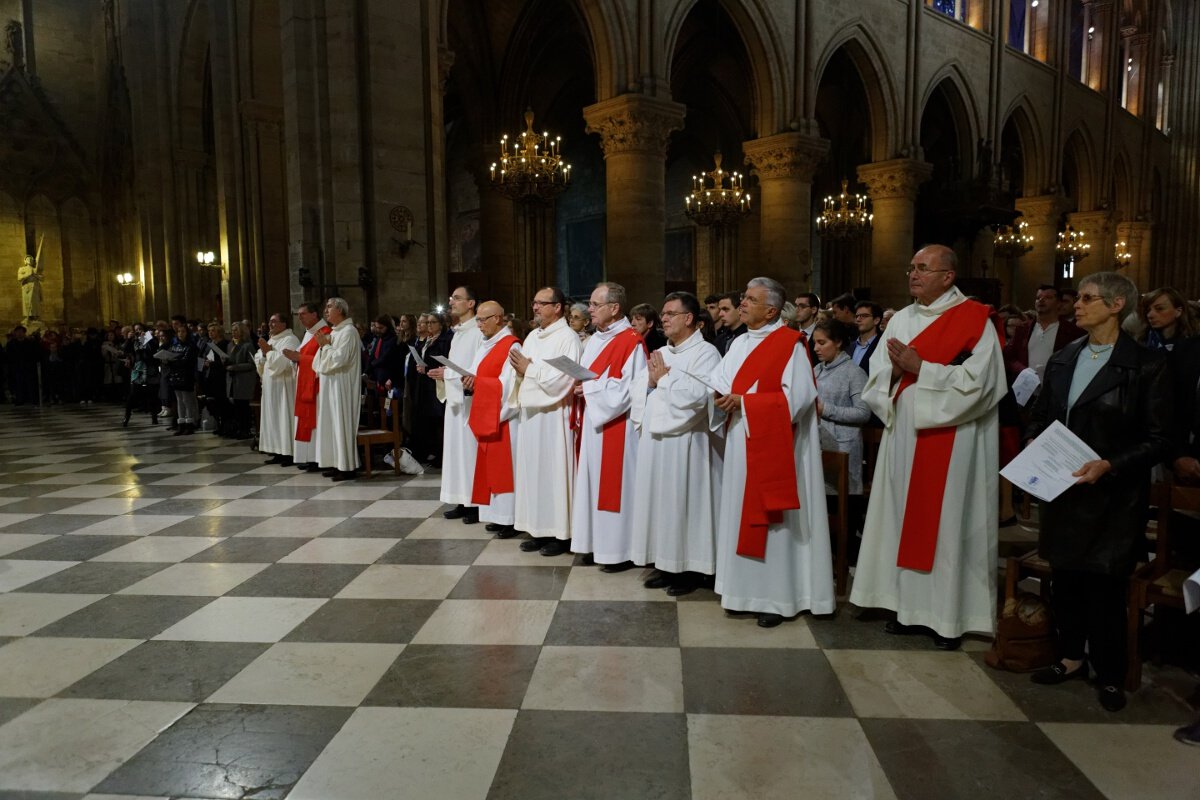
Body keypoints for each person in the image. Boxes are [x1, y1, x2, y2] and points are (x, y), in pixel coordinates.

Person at [1025, 272, 1172, 712]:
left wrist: (1110, 465)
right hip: (1065, 487)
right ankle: (1070, 658)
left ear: (1116, 305)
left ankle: (1109, 673)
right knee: (1066, 580)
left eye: (1089, 299)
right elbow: (1041, 412)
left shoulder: (1146, 365)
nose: (1078, 305)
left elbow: (1161, 438)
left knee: (1105, 589)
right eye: (1080, 298)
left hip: (1113, 496)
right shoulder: (1065, 357)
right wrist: (1035, 439)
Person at [850, 245, 1007, 650]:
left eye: (923, 268)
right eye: (911, 267)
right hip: (905, 435)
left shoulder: (975, 319)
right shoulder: (901, 318)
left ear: (948, 276)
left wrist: (925, 370)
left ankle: (947, 618)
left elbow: (985, 382)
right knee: (905, 518)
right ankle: (907, 608)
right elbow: (878, 378)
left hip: (955, 439)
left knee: (950, 521)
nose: (913, 274)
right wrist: (896, 372)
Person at [711, 277, 834, 627]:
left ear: (772, 310)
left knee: (774, 525)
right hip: (740, 442)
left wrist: (745, 403)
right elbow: (721, 380)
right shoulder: (737, 343)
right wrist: (718, 399)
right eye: (743, 297)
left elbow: (796, 400)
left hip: (777, 447)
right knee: (740, 513)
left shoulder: (790, 345)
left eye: (750, 299)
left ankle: (777, 598)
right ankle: (742, 591)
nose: (742, 303)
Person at [630, 291, 723, 596]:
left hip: (688, 445)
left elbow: (696, 398)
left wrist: (662, 382)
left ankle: (692, 568)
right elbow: (641, 388)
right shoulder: (663, 353)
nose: (664, 318)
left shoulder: (706, 353)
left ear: (689, 319)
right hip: (657, 442)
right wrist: (652, 383)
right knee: (661, 502)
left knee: (686, 504)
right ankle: (666, 562)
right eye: (663, 313)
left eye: (671, 313)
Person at [570, 282, 648, 570]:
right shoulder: (595, 339)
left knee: (615, 488)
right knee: (590, 483)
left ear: (614, 308)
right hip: (593, 424)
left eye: (594, 304)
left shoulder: (631, 342)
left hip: (617, 426)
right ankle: (592, 543)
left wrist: (589, 390)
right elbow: (591, 378)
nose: (589, 309)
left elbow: (631, 390)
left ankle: (618, 550)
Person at [512, 287, 584, 556]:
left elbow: (562, 381)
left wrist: (528, 369)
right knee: (534, 474)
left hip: (555, 415)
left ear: (558, 307)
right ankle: (538, 528)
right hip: (531, 415)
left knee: (554, 474)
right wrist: (520, 372)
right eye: (534, 303)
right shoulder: (532, 336)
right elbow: (523, 373)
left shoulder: (568, 339)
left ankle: (560, 535)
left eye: (541, 303)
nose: (535, 308)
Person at [463, 301, 522, 536]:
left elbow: (510, 387)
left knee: (506, 469)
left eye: (482, 320)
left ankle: (510, 519)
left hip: (504, 418)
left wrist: (479, 384)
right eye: (477, 320)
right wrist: (468, 382)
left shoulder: (511, 346)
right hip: (488, 413)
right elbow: (476, 374)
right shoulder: (486, 345)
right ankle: (498, 515)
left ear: (498, 318)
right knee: (491, 468)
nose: (478, 325)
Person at [436, 286, 484, 522]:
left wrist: (447, 374)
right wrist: (444, 372)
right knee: (456, 452)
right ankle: (461, 499)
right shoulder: (458, 333)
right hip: (455, 401)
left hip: (469, 401)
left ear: (471, 303)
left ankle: (475, 503)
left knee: (469, 452)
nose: (451, 301)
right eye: (451, 297)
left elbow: (476, 369)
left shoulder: (478, 331)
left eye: (456, 298)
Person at [813, 319, 870, 496]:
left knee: (843, 499)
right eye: (815, 342)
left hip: (843, 447)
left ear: (838, 342)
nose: (816, 348)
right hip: (818, 442)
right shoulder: (816, 370)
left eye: (822, 343)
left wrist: (825, 409)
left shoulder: (854, 372)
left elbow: (863, 412)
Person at [313, 297, 363, 480]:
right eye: (325, 307)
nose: (326, 310)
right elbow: (318, 364)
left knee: (341, 425)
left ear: (340, 310)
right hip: (330, 384)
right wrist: (323, 347)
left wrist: (325, 347)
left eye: (329, 307)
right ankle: (336, 463)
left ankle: (347, 467)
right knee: (330, 425)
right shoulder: (334, 332)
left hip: (342, 385)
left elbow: (340, 360)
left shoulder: (349, 332)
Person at [283, 302, 332, 472]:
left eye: (303, 314)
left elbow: (324, 359)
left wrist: (299, 358)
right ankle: (308, 457)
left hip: (316, 386)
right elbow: (303, 355)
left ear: (314, 315)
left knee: (315, 422)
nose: (300, 317)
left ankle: (317, 458)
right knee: (306, 421)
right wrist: (294, 358)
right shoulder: (308, 334)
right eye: (298, 314)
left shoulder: (324, 332)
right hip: (305, 382)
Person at [1005, 286, 1085, 381]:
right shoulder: (1023, 329)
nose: (1041, 300)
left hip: (1057, 386)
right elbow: (1010, 357)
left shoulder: (1073, 331)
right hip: (1026, 387)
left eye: (1048, 297)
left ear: (1059, 303)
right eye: (1038, 298)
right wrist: (1022, 370)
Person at [255, 312, 300, 463]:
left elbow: (283, 364)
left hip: (284, 387)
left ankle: (288, 452)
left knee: (283, 418)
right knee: (273, 419)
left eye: (274, 321)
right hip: (270, 387)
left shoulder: (291, 340)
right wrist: (262, 355)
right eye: (270, 322)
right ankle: (276, 451)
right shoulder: (271, 340)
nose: (270, 324)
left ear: (284, 324)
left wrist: (268, 351)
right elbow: (260, 360)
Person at [165, 315, 200, 435]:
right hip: (175, 375)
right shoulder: (175, 345)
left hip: (187, 375)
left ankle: (190, 423)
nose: (180, 333)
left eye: (183, 331)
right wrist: (168, 360)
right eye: (179, 332)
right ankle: (181, 423)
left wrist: (173, 360)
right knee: (179, 400)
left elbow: (187, 361)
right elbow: (171, 357)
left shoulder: (191, 345)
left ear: (187, 333)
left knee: (187, 400)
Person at [224, 322, 257, 439]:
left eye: (236, 330)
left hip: (243, 380)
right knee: (236, 406)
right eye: (232, 330)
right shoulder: (230, 345)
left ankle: (245, 430)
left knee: (243, 406)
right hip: (232, 379)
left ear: (242, 332)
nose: (233, 332)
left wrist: (235, 367)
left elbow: (252, 364)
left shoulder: (247, 345)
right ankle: (238, 428)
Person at [1139, 287, 1196, 352]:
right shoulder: (1142, 342)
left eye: (1159, 308)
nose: (1149, 315)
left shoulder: (1193, 346)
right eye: (1148, 310)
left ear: (1178, 311)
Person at [851, 301, 883, 370]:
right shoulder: (849, 347)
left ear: (876, 320)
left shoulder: (883, 345)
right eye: (857, 316)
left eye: (864, 316)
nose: (858, 319)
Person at [17, 253, 42, 320]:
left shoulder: (35, 270)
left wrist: (35, 275)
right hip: (27, 288)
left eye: (31, 259)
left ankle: (35, 316)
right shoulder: (22, 269)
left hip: (35, 288)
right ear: (25, 261)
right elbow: (19, 278)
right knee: (27, 302)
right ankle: (28, 317)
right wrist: (28, 274)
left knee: (35, 303)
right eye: (28, 259)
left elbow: (42, 278)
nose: (29, 260)